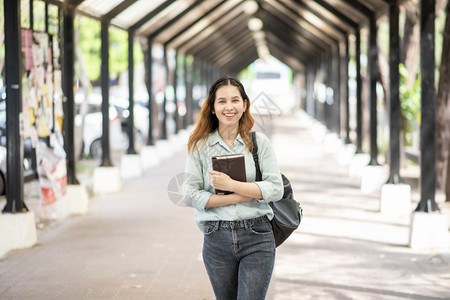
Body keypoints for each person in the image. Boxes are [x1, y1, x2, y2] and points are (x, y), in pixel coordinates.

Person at [183, 76, 283, 300]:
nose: (229, 107)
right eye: (222, 101)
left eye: (235, 100)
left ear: (245, 104)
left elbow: (275, 188)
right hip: (216, 237)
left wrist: (231, 186)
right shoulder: (199, 146)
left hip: (257, 235)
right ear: (212, 107)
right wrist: (239, 196)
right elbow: (190, 194)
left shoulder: (259, 143)